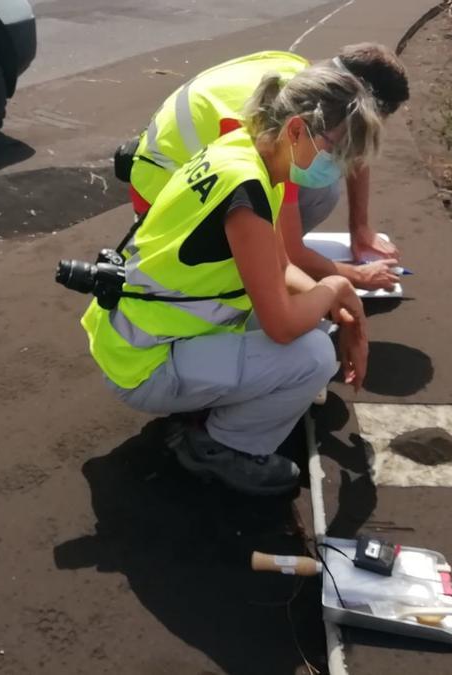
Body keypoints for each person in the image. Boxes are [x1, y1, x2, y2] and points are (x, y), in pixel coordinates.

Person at [83, 67, 382, 496]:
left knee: (316, 322)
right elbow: (280, 323)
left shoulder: (247, 150)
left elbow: (280, 268)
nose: (342, 167)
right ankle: (222, 446)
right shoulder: (248, 190)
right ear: (297, 130)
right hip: (143, 365)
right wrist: (334, 289)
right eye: (339, 152)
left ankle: (205, 409)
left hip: (132, 338)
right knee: (314, 355)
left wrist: (345, 297)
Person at [124, 43, 408, 291]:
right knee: (271, 281)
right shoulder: (291, 126)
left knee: (321, 190)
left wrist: (361, 228)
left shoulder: (309, 83)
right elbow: (291, 258)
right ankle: (243, 269)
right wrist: (353, 276)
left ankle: (257, 256)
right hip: (161, 196)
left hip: (190, 167)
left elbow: (352, 145)